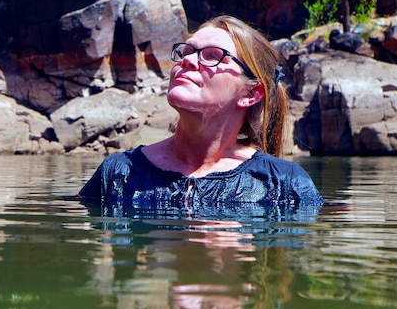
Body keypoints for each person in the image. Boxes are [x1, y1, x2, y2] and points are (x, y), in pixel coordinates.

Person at [79, 15, 323, 212]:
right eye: (186, 52)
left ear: (251, 93)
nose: (188, 61)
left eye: (213, 56)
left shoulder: (285, 183)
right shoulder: (118, 173)